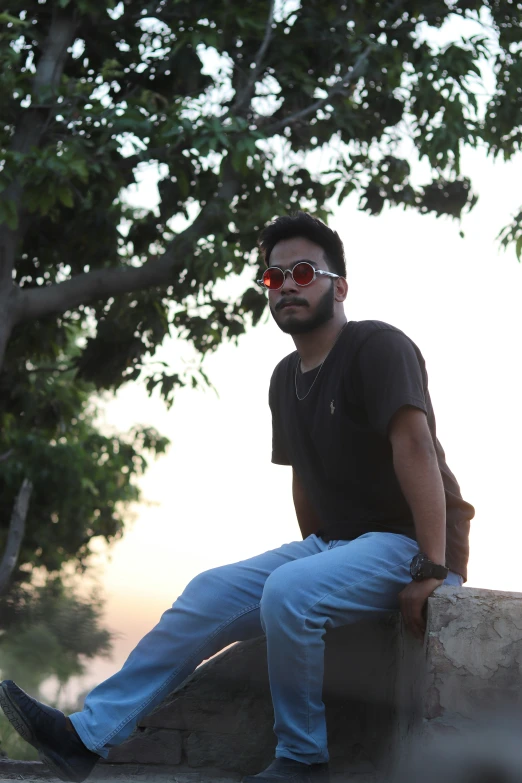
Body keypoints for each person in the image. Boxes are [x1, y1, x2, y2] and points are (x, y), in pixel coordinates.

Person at [0, 212, 474, 783]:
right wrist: (326, 564)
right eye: (274, 278)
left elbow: (416, 449)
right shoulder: (284, 377)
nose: (288, 285)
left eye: (303, 271)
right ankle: (88, 736)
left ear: (339, 286)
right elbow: (304, 479)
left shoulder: (378, 345)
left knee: (290, 592)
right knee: (209, 592)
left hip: (410, 543)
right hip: (341, 545)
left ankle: (302, 761)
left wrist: (433, 566)